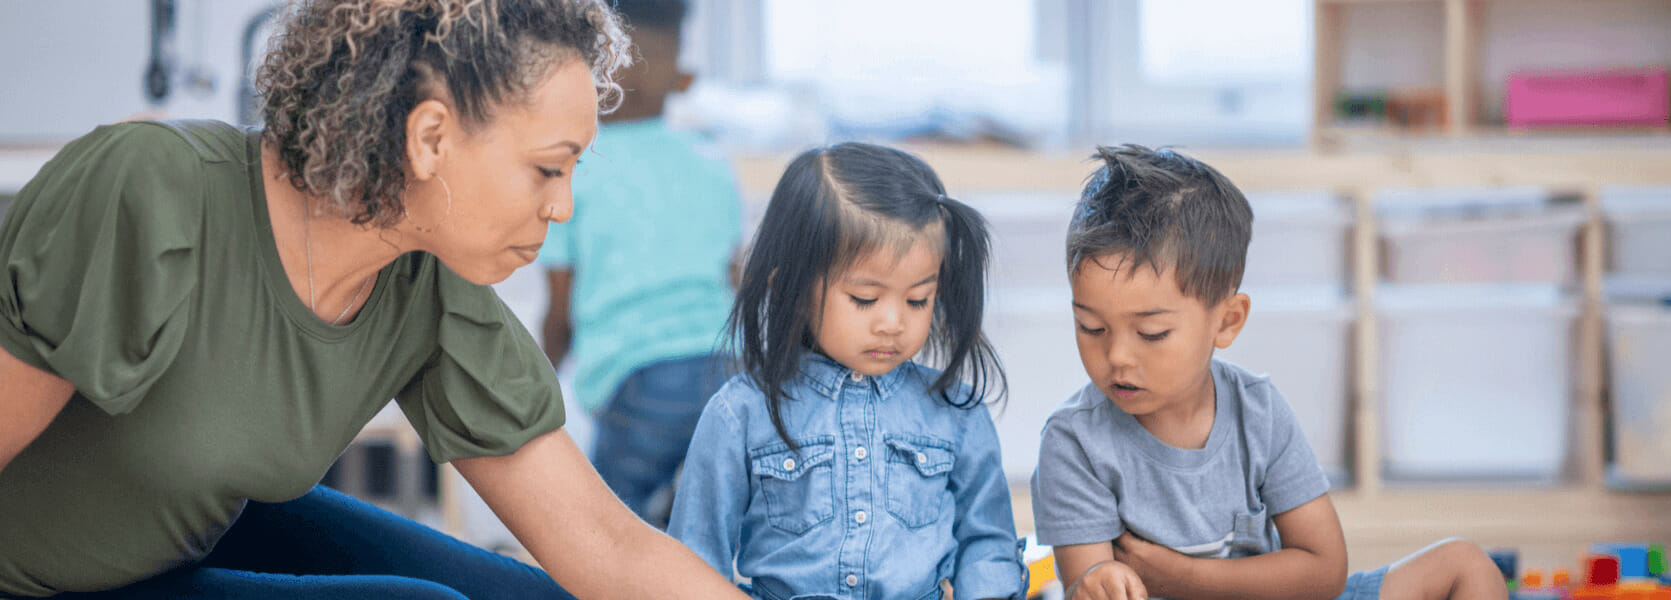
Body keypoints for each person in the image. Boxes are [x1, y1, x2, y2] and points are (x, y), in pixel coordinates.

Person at [0, 1, 748, 598]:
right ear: (430, 138)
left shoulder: (428, 282)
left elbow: (608, 547)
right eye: (549, 169)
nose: (564, 207)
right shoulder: (151, 194)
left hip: (178, 549)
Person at [1030, 145, 1508, 600]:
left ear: (1227, 321)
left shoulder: (1258, 410)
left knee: (1465, 564)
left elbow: (1324, 571)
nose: (1117, 356)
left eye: (1151, 333)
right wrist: (1097, 582)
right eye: (1090, 327)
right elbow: (1088, 582)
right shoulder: (1074, 443)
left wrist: (1182, 577)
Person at [666, 143, 1027, 600]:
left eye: (918, 300)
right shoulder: (739, 415)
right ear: (793, 289)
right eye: (865, 299)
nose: (893, 322)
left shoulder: (956, 412)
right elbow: (694, 559)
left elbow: (987, 542)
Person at [538, 0, 740, 528]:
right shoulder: (710, 161)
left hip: (639, 383)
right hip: (730, 369)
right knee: (710, 526)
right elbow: (734, 279)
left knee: (608, 532)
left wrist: (538, 384)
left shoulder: (573, 167)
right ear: (684, 80)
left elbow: (559, 311)